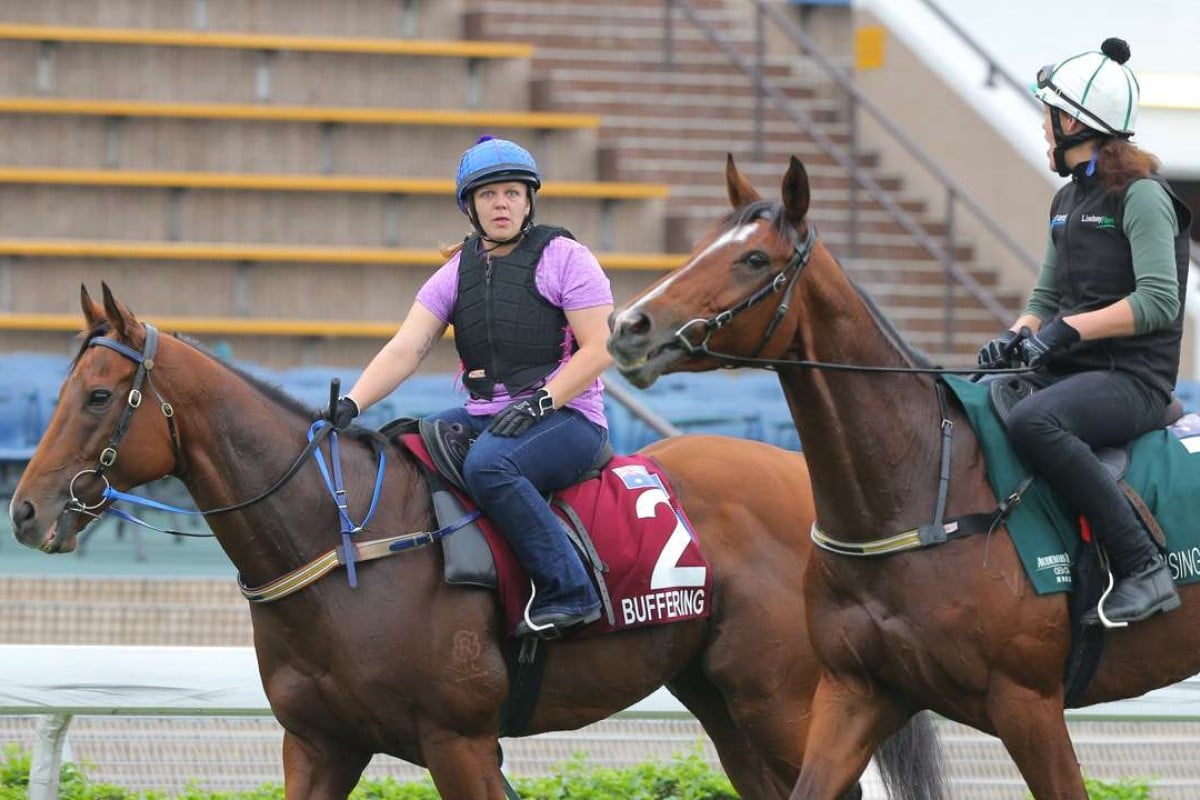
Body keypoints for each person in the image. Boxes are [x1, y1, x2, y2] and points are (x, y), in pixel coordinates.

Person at [328, 135, 613, 638]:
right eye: (488, 195)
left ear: (529, 200)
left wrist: (541, 402)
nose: (501, 203)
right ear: (470, 206)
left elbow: (600, 348)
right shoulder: (454, 273)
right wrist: (352, 402)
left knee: (490, 464)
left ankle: (570, 590)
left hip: (568, 417)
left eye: (511, 193)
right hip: (488, 414)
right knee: (403, 445)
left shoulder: (568, 257)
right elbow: (406, 348)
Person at [977, 38, 1193, 626]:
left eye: (1048, 115)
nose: (1044, 129)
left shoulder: (1144, 197)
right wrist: (1019, 333)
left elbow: (1158, 301)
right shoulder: (1067, 198)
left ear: (1073, 120)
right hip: (1071, 369)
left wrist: (1065, 332)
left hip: (1132, 381)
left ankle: (1141, 566)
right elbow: (1047, 297)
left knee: (1032, 419)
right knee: (975, 395)